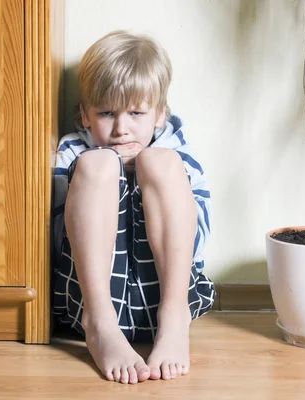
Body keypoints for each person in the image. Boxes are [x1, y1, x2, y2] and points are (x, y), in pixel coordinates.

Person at [52, 30, 215, 384]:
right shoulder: (71, 152)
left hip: (165, 293)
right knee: (97, 164)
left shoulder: (175, 152)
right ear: (84, 115)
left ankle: (174, 321)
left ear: (160, 114)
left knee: (160, 162)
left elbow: (198, 242)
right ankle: (101, 326)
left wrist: (142, 168)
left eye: (137, 113)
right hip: (91, 299)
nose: (122, 129)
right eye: (106, 113)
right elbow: (55, 239)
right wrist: (109, 168)